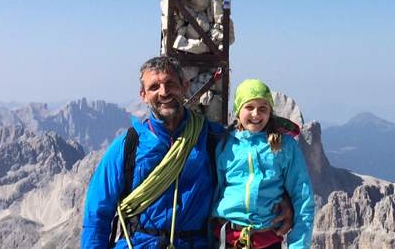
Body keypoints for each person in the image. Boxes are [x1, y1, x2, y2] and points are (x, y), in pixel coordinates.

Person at [81, 57, 291, 249]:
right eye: (154, 87)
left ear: (184, 87)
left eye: (170, 83)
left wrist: (284, 198)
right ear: (143, 95)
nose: (164, 92)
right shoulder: (128, 147)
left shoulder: (211, 138)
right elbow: (97, 216)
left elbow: (254, 163)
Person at [211, 79, 314, 249]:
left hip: (266, 240)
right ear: (238, 110)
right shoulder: (225, 145)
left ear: (270, 112)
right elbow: (216, 189)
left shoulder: (284, 146)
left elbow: (302, 196)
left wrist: (299, 245)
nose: (256, 114)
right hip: (227, 239)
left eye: (263, 108)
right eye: (249, 107)